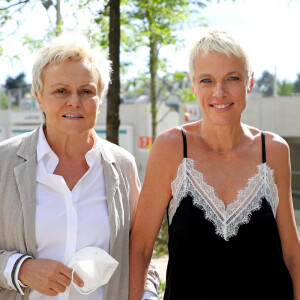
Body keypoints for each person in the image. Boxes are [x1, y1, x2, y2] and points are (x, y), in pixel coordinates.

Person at [129, 28, 300, 300]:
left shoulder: (274, 150)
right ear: (194, 85)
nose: (219, 92)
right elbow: (139, 248)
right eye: (207, 80)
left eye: (232, 78)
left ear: (250, 82)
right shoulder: (171, 148)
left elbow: (292, 253)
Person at [0, 32, 159, 300]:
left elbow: (142, 256)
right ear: (39, 97)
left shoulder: (122, 166)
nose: (74, 101)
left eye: (86, 91)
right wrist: (19, 269)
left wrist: (148, 296)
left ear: (100, 99)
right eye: (60, 90)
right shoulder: (4, 162)